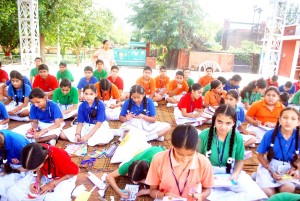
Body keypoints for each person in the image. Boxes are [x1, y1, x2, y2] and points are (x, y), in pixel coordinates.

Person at [198, 104, 267, 201]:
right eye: (219, 122)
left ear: (234, 123)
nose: (223, 126)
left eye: (228, 123)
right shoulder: (204, 135)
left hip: (230, 171)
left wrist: (235, 174)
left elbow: (239, 160)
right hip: (208, 173)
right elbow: (197, 159)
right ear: (214, 120)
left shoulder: (237, 137)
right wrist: (205, 176)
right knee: (200, 192)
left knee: (254, 192)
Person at [145, 125, 214, 200]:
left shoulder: (204, 162)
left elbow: (207, 189)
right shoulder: (159, 159)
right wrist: (164, 195)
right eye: (180, 154)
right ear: (172, 145)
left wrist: (202, 196)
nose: (185, 159)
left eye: (190, 155)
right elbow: (152, 191)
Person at [6, 143, 79, 201]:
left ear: (46, 158)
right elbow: (38, 170)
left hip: (63, 176)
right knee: (14, 192)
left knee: (54, 199)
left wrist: (53, 183)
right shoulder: (34, 152)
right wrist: (37, 181)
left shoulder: (59, 157)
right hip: (46, 173)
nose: (34, 171)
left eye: (36, 168)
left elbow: (75, 172)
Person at [255, 107, 299, 197]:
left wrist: (294, 168)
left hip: (288, 167)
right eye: (285, 117)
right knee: (268, 192)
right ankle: (260, 176)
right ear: (279, 119)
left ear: (298, 122)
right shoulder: (269, 134)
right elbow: (259, 156)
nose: (288, 121)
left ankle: (257, 177)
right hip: (269, 166)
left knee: (288, 188)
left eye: (293, 119)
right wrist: (271, 170)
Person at [0, 130, 29, 200]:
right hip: (5, 163)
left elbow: (29, 166)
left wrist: (9, 171)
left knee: (2, 184)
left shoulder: (19, 144)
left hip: (20, 167)